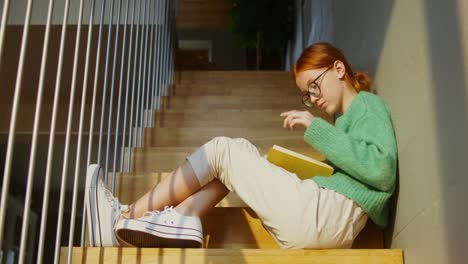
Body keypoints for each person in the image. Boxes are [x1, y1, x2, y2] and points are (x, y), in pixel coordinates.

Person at [85, 42, 397, 249]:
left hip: (326, 218)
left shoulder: (367, 107)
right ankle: (180, 218)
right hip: (322, 221)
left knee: (223, 149)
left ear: (339, 69)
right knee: (232, 164)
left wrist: (314, 128)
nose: (314, 99)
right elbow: (360, 170)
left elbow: (381, 171)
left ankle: (124, 217)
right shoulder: (344, 123)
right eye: (307, 94)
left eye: (314, 86)